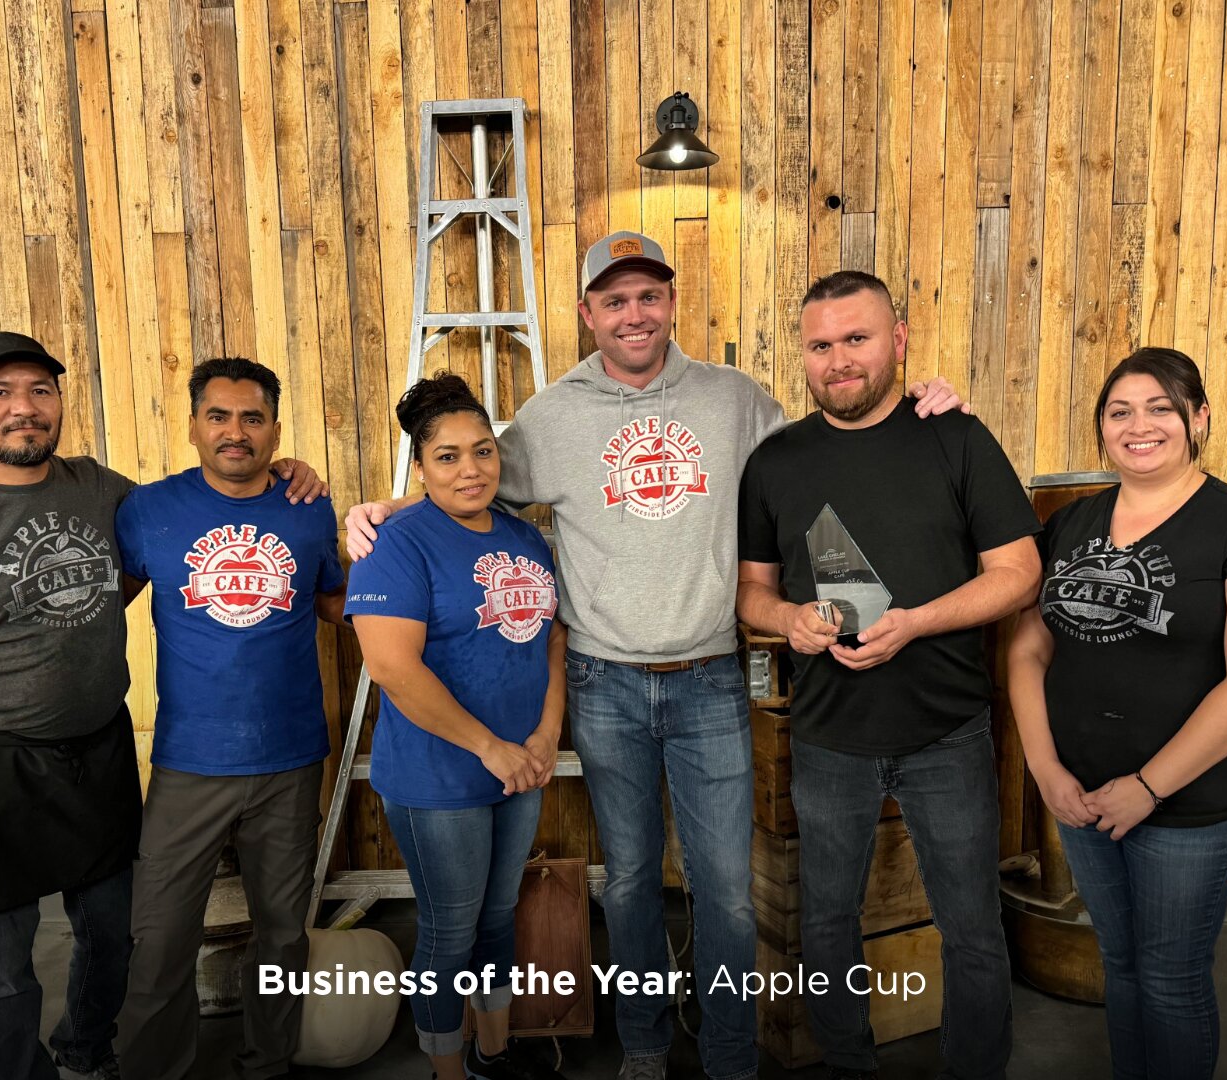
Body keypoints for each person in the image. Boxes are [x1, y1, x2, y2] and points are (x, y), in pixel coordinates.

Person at [345, 234, 966, 1080]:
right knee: (631, 884)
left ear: (671, 304)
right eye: (613, 299)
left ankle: (729, 1056)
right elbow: (464, 478)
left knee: (726, 894)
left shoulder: (736, 401)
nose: (632, 314)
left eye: (648, 295)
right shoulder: (551, 417)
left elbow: (829, 456)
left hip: (712, 678)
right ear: (586, 314)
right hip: (604, 683)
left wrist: (921, 401)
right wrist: (380, 510)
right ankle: (642, 1050)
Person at [0, 333, 322, 1080]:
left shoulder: (104, 491)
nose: (24, 409)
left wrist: (298, 476)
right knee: (3, 966)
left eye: (39, 392)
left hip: (100, 745)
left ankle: (90, 1056)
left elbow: (200, 516)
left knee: (116, 935)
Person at [735, 271, 1041, 1080]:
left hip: (949, 730)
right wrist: (787, 620)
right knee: (827, 921)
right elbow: (751, 595)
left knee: (973, 927)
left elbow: (1018, 573)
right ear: (802, 354)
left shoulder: (957, 437)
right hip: (830, 735)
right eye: (821, 345)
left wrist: (916, 623)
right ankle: (846, 1064)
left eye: (857, 339)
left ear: (898, 340)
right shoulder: (776, 462)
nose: (839, 361)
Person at [1007, 347, 1227, 1080]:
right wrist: (1046, 771)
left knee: (1170, 980)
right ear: (1102, 428)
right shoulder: (1073, 523)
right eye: (1120, 411)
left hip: (1186, 805)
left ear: (1199, 419)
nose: (1139, 425)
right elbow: (1027, 652)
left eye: (1160, 408)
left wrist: (1148, 786)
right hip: (1081, 797)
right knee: (1121, 964)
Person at [112, 358, 346, 1080]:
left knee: (282, 936)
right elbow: (97, 610)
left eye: (252, 418)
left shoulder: (308, 506)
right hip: (190, 762)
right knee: (158, 940)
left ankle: (267, 1062)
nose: (235, 432)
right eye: (218, 416)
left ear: (275, 427)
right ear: (192, 425)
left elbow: (338, 605)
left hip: (291, 756)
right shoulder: (147, 511)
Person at [345, 372, 566, 1080]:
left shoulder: (524, 536)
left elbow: (551, 638)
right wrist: (491, 748)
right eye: (447, 456)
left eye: (483, 451)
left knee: (499, 919)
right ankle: (446, 1072)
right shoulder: (396, 542)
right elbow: (392, 667)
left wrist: (543, 738)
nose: (470, 469)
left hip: (519, 768)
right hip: (439, 777)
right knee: (450, 930)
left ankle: (492, 1054)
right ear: (418, 466)